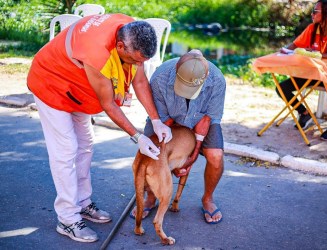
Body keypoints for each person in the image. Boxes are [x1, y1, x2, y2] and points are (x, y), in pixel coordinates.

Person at [27, 14, 172, 243]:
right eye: (135, 61)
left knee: (85, 145)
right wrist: (137, 136)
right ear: (120, 46)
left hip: (78, 89)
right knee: (66, 151)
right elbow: (108, 104)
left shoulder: (131, 31)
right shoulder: (97, 53)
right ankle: (67, 218)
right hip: (51, 85)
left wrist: (156, 120)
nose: (137, 66)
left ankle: (83, 203)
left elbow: (140, 81)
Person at [130, 49, 226, 224]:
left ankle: (208, 199)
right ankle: (151, 198)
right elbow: (163, 121)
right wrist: (169, 158)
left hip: (200, 119)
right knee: (153, 152)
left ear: (205, 77)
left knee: (216, 156)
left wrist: (191, 156)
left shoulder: (217, 80)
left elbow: (206, 119)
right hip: (165, 119)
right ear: (176, 68)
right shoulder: (160, 77)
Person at [276, 0, 327, 140]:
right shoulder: (312, 28)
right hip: (311, 73)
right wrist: (284, 50)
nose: (312, 14)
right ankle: (304, 113)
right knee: (281, 88)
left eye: (315, 11)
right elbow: (296, 44)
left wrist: (323, 55)